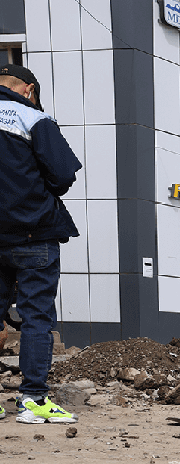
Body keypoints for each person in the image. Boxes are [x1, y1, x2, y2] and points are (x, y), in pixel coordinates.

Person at [0, 62, 82, 424]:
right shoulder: (32, 118)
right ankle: (32, 400)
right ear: (29, 89)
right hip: (33, 232)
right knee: (35, 317)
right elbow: (63, 173)